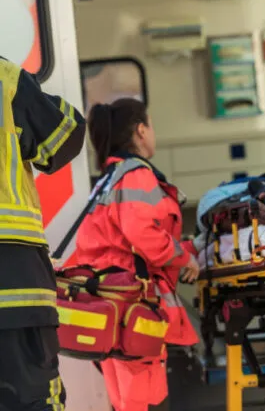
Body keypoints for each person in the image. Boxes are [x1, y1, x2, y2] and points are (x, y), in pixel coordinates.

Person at [70, 98, 199, 411]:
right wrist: (185, 257)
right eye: (150, 125)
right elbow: (142, 234)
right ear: (141, 131)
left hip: (110, 307)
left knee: (126, 404)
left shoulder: (107, 179)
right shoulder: (136, 175)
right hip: (134, 309)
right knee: (146, 401)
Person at [0, 57, 85, 410]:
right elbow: (65, 137)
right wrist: (33, 88)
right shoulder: (6, 79)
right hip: (15, 284)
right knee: (31, 399)